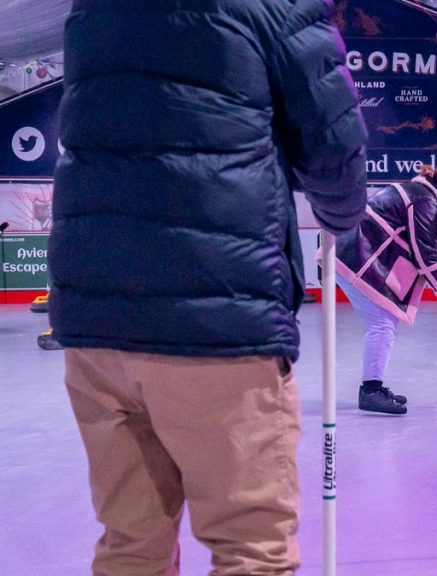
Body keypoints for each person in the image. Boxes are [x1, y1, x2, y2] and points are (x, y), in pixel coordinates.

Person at [48, 2, 368, 574]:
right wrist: (341, 216)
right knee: (250, 548)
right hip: (217, 311)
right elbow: (332, 135)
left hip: (96, 314)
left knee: (130, 544)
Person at [332, 164, 437, 415]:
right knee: (382, 323)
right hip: (354, 257)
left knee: (384, 322)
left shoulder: (420, 193)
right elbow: (424, 253)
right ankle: (371, 391)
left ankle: (373, 385)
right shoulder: (426, 200)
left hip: (352, 254)